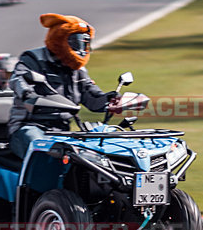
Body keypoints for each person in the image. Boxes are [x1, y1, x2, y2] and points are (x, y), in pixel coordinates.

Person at [7, 13, 122, 158]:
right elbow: (18, 79)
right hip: (30, 127)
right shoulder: (32, 59)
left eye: (85, 43)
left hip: (64, 130)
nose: (81, 48)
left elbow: (92, 97)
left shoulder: (77, 69)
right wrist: (28, 93)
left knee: (102, 152)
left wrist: (110, 99)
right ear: (60, 39)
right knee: (44, 152)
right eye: (76, 42)